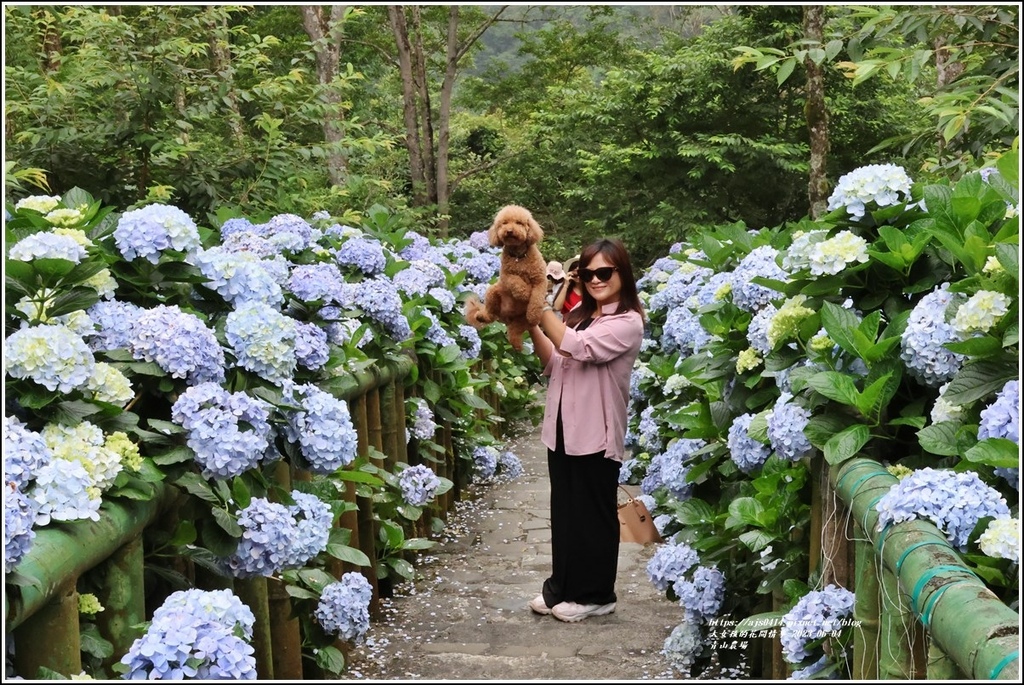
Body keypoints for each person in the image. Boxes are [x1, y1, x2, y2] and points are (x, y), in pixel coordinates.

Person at [525, 238, 645, 623]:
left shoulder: (627, 323)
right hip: (561, 427)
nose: (595, 279)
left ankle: (596, 594)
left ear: (622, 275)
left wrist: (538, 306)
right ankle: (562, 587)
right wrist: (529, 324)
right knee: (564, 511)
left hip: (596, 430)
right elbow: (553, 362)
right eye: (588, 272)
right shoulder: (581, 316)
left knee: (592, 514)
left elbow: (578, 348)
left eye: (604, 272)